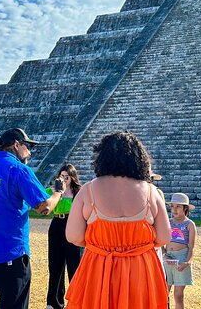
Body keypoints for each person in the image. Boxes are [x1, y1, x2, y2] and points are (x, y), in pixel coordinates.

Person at [64, 130, 171, 309]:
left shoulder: (88, 190)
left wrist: (101, 243)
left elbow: (73, 236)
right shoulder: (151, 192)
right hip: (141, 271)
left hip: (99, 269)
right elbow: (163, 238)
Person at [0, 128, 64, 309]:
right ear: (16, 144)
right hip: (10, 252)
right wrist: (58, 193)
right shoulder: (18, 170)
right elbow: (44, 207)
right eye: (27, 146)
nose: (30, 152)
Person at [45, 163, 83, 309]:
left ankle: (76, 301)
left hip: (72, 225)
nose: (64, 179)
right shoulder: (53, 191)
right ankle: (53, 302)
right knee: (55, 265)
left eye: (67, 177)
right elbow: (42, 201)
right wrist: (56, 192)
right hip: (56, 225)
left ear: (72, 178)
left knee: (74, 265)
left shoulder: (78, 192)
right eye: (61, 176)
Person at [164, 193, 197, 309]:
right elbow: (161, 241)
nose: (174, 209)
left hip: (182, 259)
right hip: (167, 258)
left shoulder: (190, 224)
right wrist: (164, 255)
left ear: (185, 208)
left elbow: (191, 246)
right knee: (163, 293)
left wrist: (186, 262)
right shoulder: (167, 222)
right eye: (172, 206)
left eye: (178, 206)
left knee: (178, 295)